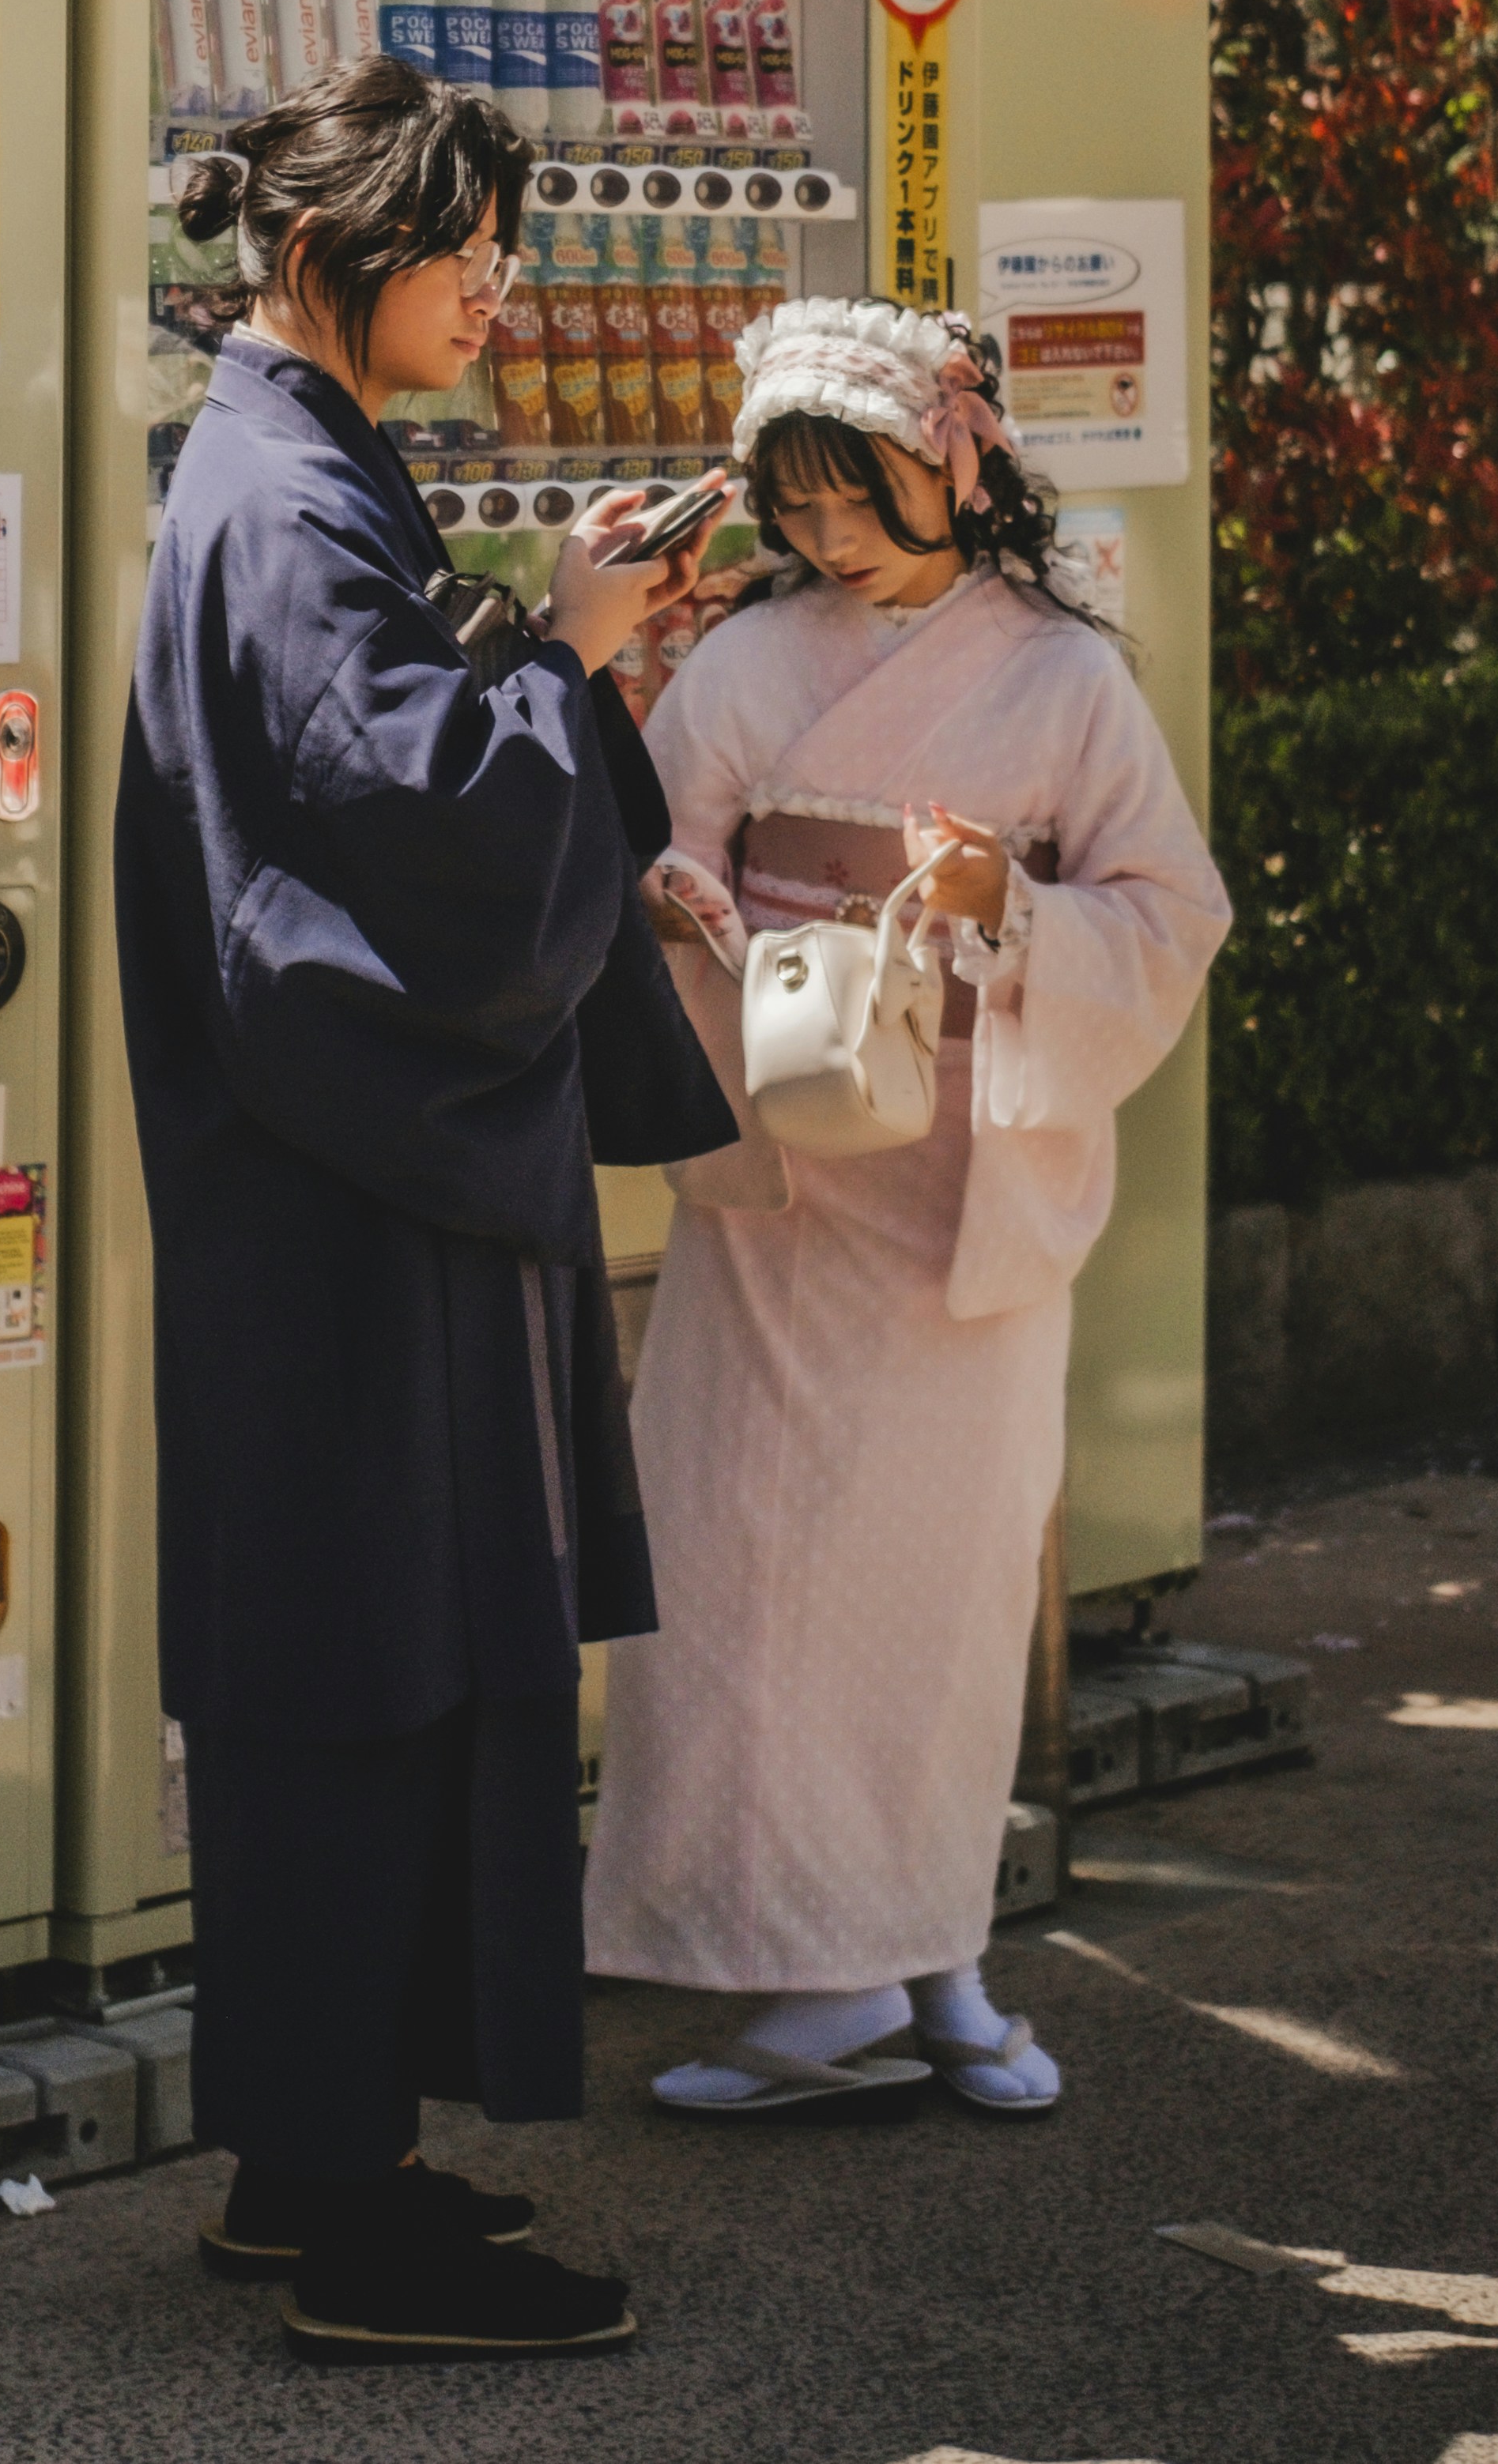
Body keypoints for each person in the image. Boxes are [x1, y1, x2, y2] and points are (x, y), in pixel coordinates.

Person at [116, 56, 735, 2362]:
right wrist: (559, 657)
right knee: (365, 1671)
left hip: (331, 1210)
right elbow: (409, 819)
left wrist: (550, 694)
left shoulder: (290, 466)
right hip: (349, 1214)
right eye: (465, 241)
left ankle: (313, 2160)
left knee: (340, 1671)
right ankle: (347, 2210)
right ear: (334, 253)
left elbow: (393, 765)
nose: (497, 282)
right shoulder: (283, 496)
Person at [581, 295, 1230, 2117]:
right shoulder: (752, 654)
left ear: (948, 461)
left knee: (922, 1601)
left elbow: (1167, 911)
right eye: (788, 499)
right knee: (725, 1577)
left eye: (848, 490)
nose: (820, 532)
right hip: (781, 1173)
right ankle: (836, 1968)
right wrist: (683, 898)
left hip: (960, 1189)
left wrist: (1001, 908)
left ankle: (908, 1960)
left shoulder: (1057, 676)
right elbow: (674, 826)